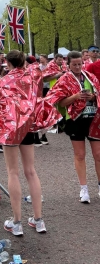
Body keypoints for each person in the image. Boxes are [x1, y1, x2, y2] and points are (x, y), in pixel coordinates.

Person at [0, 50, 47, 236]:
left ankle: (17, 221)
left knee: (13, 172)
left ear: (7, 64)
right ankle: (38, 219)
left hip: (10, 129)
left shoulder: (4, 81)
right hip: (27, 127)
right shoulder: (32, 77)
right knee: (31, 171)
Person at [46, 51, 100, 203]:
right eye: (74, 64)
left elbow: (99, 92)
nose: (77, 67)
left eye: (80, 64)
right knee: (80, 154)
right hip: (75, 120)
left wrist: (94, 97)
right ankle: (84, 189)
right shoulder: (64, 80)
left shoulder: (91, 77)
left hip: (94, 119)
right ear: (68, 64)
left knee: (98, 154)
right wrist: (75, 97)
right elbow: (60, 102)